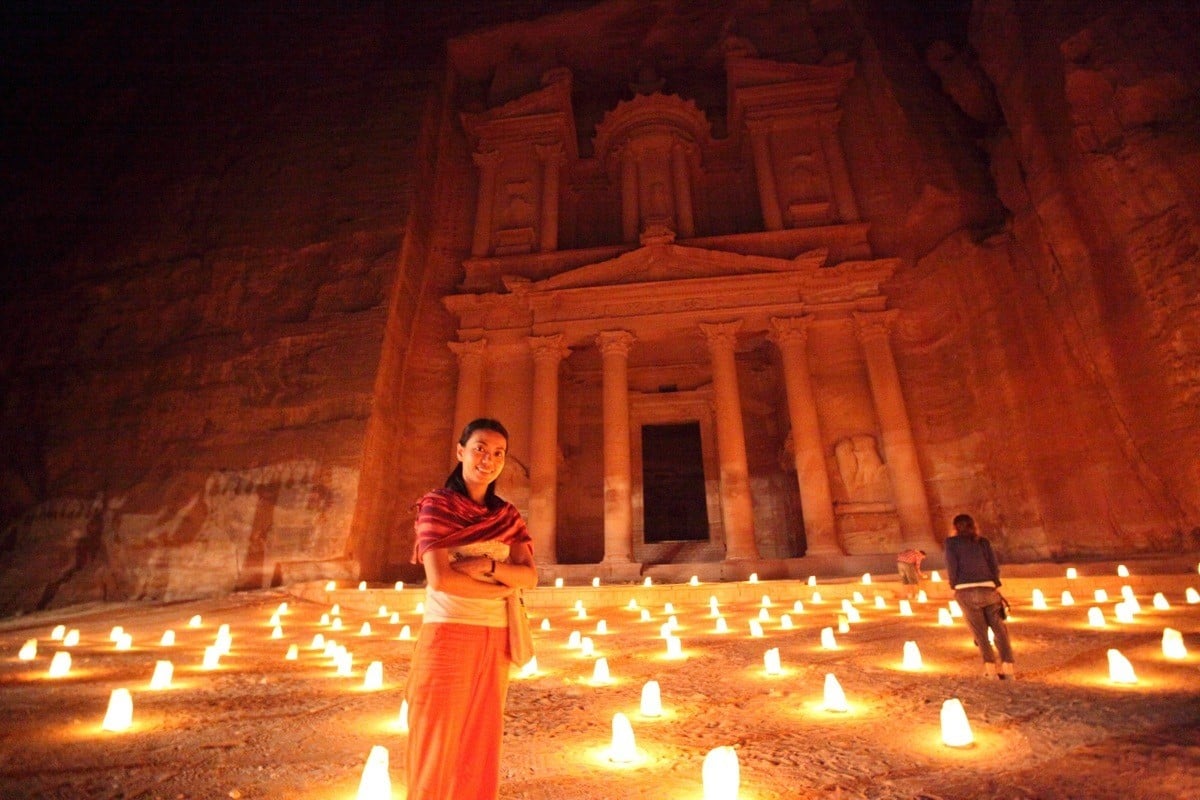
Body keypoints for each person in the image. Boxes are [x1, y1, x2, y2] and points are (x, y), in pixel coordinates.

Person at [405, 418, 537, 799]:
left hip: (497, 637)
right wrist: (502, 584)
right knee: (435, 740)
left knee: (482, 743)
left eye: (498, 453)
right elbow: (441, 580)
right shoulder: (436, 504)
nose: (488, 459)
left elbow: (529, 578)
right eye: (479, 448)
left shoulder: (508, 515)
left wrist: (488, 567)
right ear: (460, 451)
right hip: (448, 632)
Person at [945, 513, 1014, 679]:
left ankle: (991, 670)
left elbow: (952, 566)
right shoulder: (982, 542)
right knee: (1000, 630)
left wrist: (954, 584)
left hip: (965, 590)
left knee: (980, 633)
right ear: (973, 525)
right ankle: (1009, 668)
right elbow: (993, 565)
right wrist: (995, 584)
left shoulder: (951, 543)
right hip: (988, 588)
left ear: (955, 527)